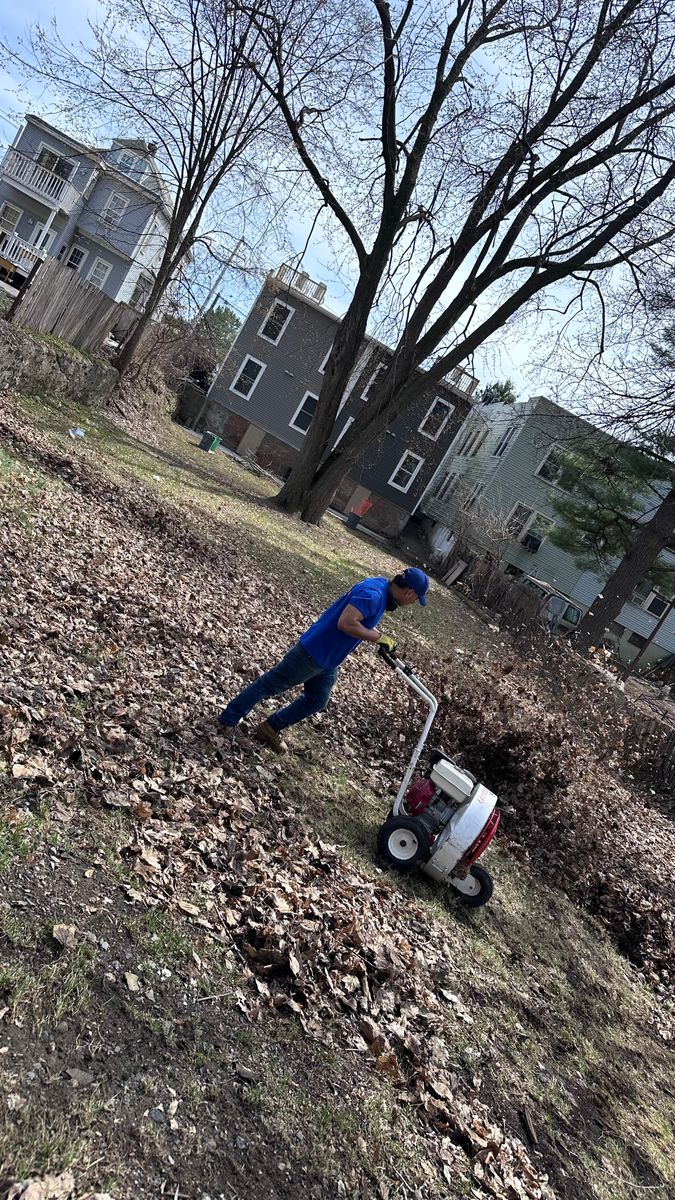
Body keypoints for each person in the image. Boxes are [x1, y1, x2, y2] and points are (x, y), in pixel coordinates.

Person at [218, 566, 430, 753]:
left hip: (328, 660)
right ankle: (227, 721)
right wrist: (378, 637)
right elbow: (346, 623)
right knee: (269, 685)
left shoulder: (381, 590)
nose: (412, 603)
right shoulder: (373, 594)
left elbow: (360, 621)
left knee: (317, 700)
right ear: (410, 592)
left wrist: (381, 639)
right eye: (415, 599)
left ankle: (270, 728)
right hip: (313, 653)